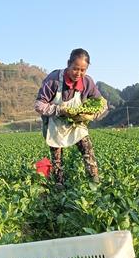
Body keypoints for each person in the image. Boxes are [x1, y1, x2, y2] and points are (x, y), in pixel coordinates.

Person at [34, 48, 108, 186]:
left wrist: (91, 115)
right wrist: (60, 109)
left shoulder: (87, 82)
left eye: (83, 70)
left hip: (76, 122)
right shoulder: (54, 80)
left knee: (87, 149)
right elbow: (39, 105)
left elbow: (102, 104)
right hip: (55, 123)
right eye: (75, 69)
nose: (78, 73)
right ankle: (59, 185)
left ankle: (94, 181)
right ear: (68, 64)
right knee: (57, 158)